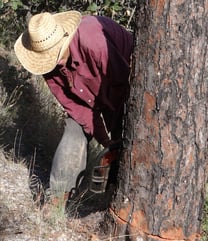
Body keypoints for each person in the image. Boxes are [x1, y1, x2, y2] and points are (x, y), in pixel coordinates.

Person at [14, 11, 133, 207]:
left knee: (125, 141)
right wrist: (106, 141)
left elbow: (123, 89)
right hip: (96, 90)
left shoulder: (94, 42)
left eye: (57, 53)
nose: (55, 61)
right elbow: (76, 107)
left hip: (124, 83)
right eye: (48, 57)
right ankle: (57, 200)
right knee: (73, 132)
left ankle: (114, 201)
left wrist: (116, 141)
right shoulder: (49, 66)